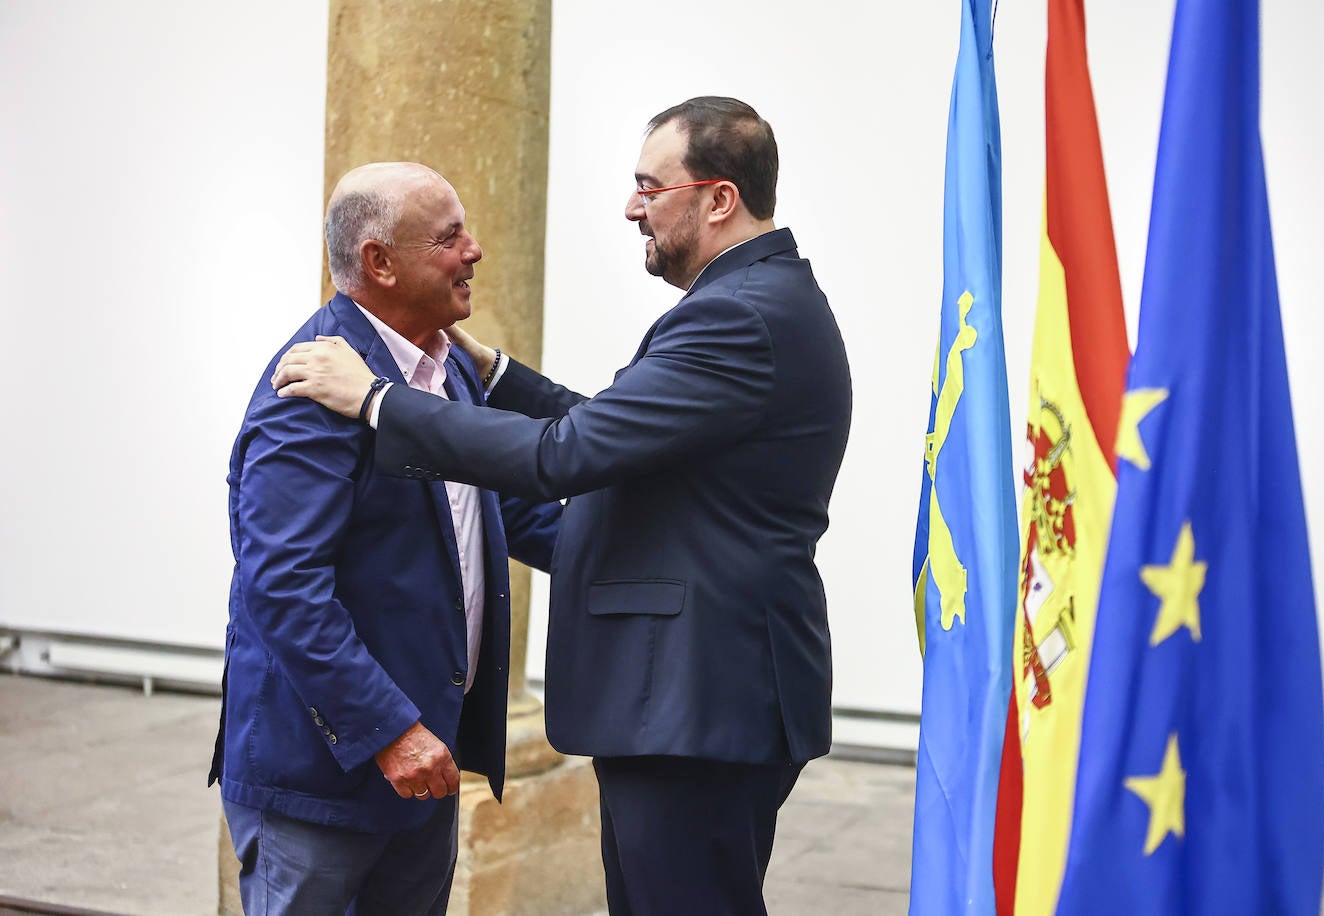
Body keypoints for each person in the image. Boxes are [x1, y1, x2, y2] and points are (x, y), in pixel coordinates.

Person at [272, 97, 852, 915]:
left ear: (718, 198)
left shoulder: (736, 317)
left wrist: (376, 401)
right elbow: (616, 434)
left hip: (695, 699)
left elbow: (565, 457)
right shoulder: (759, 300)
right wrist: (501, 378)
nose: (631, 207)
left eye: (650, 187)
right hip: (704, 697)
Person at [209, 161, 561, 915]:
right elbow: (283, 585)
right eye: (449, 237)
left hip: (417, 772)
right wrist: (390, 731)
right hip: (328, 782)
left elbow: (502, 514)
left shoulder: (446, 368)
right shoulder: (308, 387)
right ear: (379, 263)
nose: (475, 250)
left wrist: (656, 547)